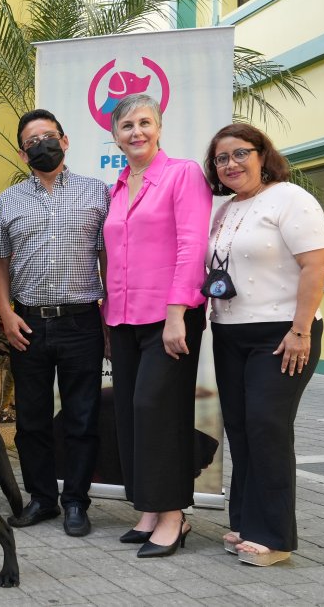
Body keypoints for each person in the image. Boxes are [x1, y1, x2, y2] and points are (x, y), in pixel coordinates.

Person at [203, 123, 324, 567]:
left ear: (261, 154)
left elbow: (316, 264)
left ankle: (274, 537)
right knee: (239, 429)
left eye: (240, 154)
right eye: (221, 158)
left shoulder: (291, 199)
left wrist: (300, 330)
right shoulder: (223, 210)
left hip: (280, 334)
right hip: (228, 331)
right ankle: (246, 521)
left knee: (266, 427)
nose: (231, 164)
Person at [0, 109, 109, 538]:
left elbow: (107, 258)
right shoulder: (9, 200)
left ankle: (77, 501)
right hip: (29, 326)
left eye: (48, 136)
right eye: (32, 140)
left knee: (81, 418)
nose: (42, 144)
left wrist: (110, 313)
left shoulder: (99, 192)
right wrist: (5, 311)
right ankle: (42, 499)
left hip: (82, 323)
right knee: (32, 422)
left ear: (65, 140)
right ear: (23, 154)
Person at [102, 93, 212, 558]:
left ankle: (173, 516)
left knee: (157, 412)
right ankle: (148, 509)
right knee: (129, 414)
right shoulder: (119, 185)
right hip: (124, 317)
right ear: (115, 136)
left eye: (145, 123)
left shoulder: (182, 174)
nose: (137, 132)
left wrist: (176, 315)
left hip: (170, 318)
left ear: (160, 127)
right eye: (127, 126)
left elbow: (192, 245)